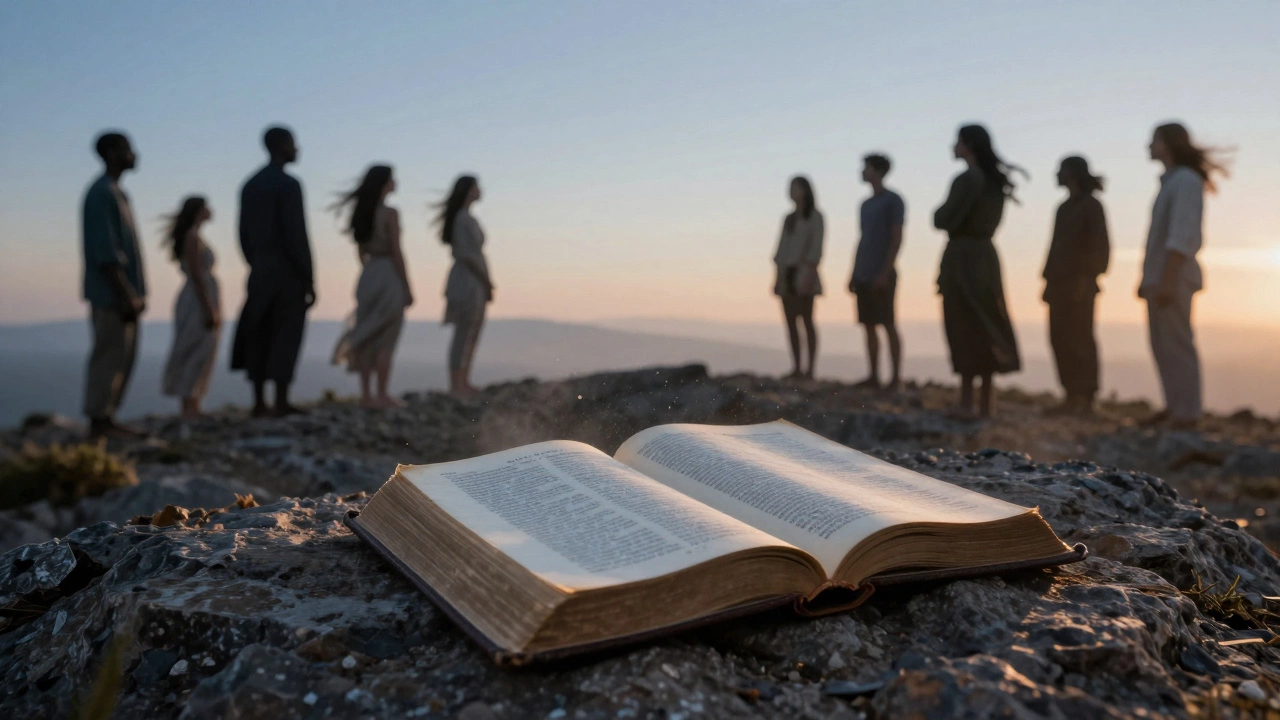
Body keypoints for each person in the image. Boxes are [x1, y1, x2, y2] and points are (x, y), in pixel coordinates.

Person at [1139, 122, 1231, 430]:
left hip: (1173, 276)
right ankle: (1174, 406)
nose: (1149, 146)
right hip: (1161, 275)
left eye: (1154, 140)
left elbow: (1182, 234)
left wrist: (1167, 278)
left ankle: (1187, 413)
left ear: (1167, 144)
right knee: (1162, 344)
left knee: (1177, 343)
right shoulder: (1171, 181)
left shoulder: (1185, 181)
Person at [933, 124, 1023, 418]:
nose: (952, 146)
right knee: (986, 322)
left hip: (962, 258)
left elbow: (943, 218)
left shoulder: (967, 179)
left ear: (968, 145)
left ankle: (966, 401)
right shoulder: (994, 182)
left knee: (963, 324)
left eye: (957, 141)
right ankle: (985, 403)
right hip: (985, 258)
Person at [230, 126, 314, 417]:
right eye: (293, 143)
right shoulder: (289, 185)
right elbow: (296, 235)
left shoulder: (250, 184)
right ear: (281, 146)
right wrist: (307, 277)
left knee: (258, 332)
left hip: (260, 271)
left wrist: (257, 262)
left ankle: (258, 402)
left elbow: (242, 235)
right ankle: (280, 400)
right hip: (287, 273)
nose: (297, 149)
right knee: (285, 334)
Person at [81, 131, 147, 440]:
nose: (134, 155)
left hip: (119, 294)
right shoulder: (101, 193)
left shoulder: (115, 193)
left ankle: (107, 416)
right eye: (128, 150)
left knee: (121, 355)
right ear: (111, 153)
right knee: (109, 353)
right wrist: (125, 293)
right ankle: (99, 421)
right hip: (111, 295)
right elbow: (105, 251)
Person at [331, 165, 413, 408]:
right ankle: (382, 394)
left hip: (368, 274)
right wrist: (406, 286)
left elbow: (361, 250)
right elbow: (397, 251)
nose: (395, 182)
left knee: (366, 334)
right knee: (386, 338)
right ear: (384, 183)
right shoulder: (390, 213)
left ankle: (366, 395)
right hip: (388, 273)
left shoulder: (361, 213)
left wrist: (370, 270)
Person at [1041, 156, 1110, 416]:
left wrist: (1086, 277)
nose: (1056, 175)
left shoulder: (1091, 206)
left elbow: (1100, 247)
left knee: (1081, 337)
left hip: (1080, 284)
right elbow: (1055, 246)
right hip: (1059, 283)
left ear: (1071, 173)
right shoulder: (1064, 208)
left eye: (1060, 170)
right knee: (1059, 337)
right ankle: (1071, 394)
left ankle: (1087, 397)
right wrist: (1048, 279)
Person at [849, 154, 906, 391]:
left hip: (882, 272)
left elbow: (896, 237)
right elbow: (862, 239)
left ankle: (895, 379)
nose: (862, 172)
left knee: (888, 323)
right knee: (869, 325)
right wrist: (853, 272)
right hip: (863, 271)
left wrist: (885, 271)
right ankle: (873, 375)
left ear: (878, 171)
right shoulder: (865, 204)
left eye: (866, 168)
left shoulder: (894, 201)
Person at [162, 197, 222, 419]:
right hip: (197, 299)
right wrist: (208, 307)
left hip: (199, 296)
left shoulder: (194, 236)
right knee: (195, 346)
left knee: (201, 347)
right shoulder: (192, 238)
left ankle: (193, 402)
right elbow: (196, 275)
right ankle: (188, 404)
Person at [435, 175, 493, 398]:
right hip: (467, 279)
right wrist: (486, 281)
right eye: (477, 186)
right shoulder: (462, 219)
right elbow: (468, 256)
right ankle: (456, 383)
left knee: (473, 329)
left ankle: (464, 380)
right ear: (469, 190)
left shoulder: (466, 217)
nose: (481, 190)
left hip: (474, 277)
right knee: (465, 330)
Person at [772, 176, 824, 379]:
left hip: (805, 273)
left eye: (795, 188)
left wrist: (808, 273)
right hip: (787, 273)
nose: (792, 192)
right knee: (791, 322)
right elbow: (781, 248)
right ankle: (796, 367)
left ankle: (810, 369)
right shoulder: (789, 219)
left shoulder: (815, 217)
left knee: (807, 320)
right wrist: (778, 275)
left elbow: (816, 248)